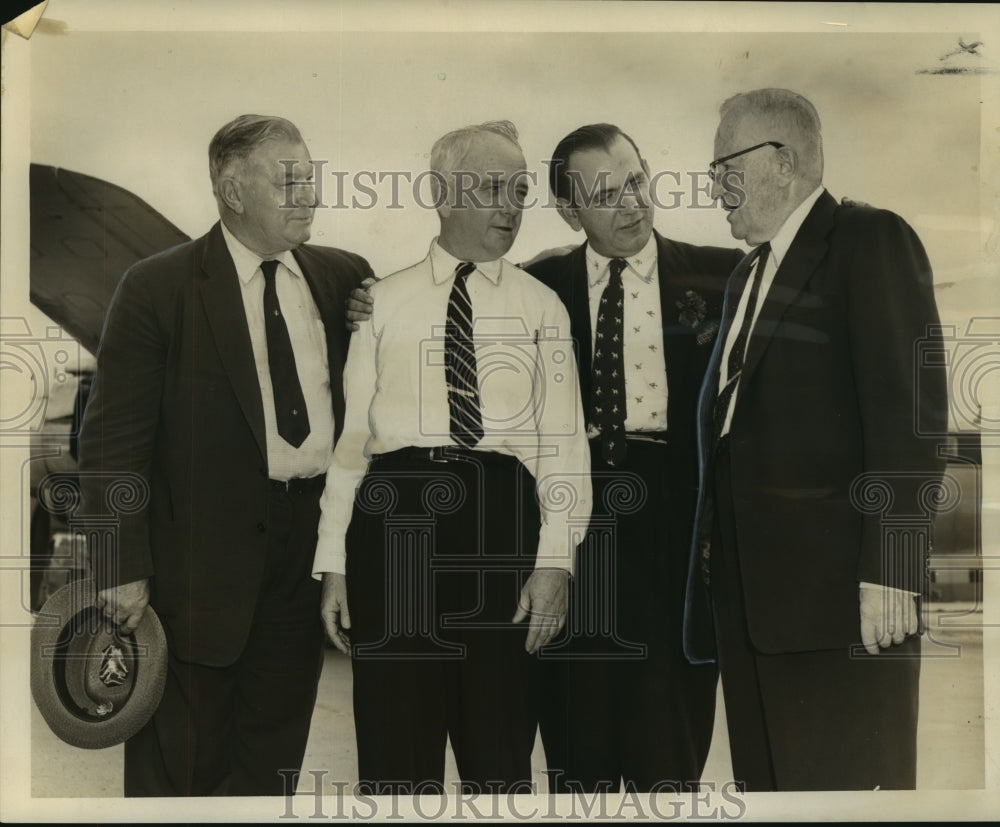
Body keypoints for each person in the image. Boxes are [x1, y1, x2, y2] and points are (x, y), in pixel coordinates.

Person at [77, 114, 373, 796]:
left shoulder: (344, 278)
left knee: (272, 760)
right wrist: (120, 565)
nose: (310, 195)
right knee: (179, 767)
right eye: (289, 181)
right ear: (233, 191)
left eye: (312, 177)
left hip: (305, 553)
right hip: (193, 568)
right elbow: (112, 439)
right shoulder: (158, 288)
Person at [312, 120, 591, 795]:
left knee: (499, 761)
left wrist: (556, 560)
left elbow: (563, 443)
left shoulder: (543, 307)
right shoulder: (379, 302)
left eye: (520, 190)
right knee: (394, 760)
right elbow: (352, 440)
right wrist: (334, 562)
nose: (511, 205)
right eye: (494, 186)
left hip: (502, 527)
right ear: (442, 191)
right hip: (393, 525)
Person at [683, 88, 949, 790]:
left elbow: (910, 416)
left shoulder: (869, 240)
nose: (713, 188)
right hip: (752, 611)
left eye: (723, 169)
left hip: (842, 608)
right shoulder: (747, 275)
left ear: (783, 161)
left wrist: (892, 566)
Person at [524, 124, 743, 793]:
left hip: (676, 529)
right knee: (577, 746)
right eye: (605, 193)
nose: (631, 205)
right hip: (573, 523)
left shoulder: (722, 275)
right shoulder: (538, 287)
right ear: (569, 210)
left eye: (637, 181)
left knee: (666, 749)